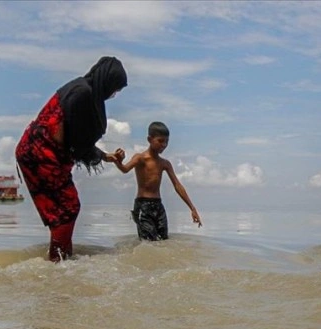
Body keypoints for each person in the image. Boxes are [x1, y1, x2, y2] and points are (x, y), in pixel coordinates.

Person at [15, 56, 127, 262]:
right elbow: (66, 134)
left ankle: (61, 258)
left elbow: (77, 138)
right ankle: (58, 262)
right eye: (115, 88)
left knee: (64, 210)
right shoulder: (82, 93)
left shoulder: (85, 91)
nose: (114, 94)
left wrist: (104, 156)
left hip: (40, 152)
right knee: (68, 207)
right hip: (41, 153)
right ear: (107, 81)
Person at [113, 121, 201, 241]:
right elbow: (124, 169)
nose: (164, 145)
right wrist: (118, 161)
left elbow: (177, 185)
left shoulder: (165, 163)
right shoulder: (140, 158)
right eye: (160, 141)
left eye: (166, 142)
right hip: (143, 205)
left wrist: (192, 208)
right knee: (148, 243)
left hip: (158, 205)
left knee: (163, 241)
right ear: (149, 139)